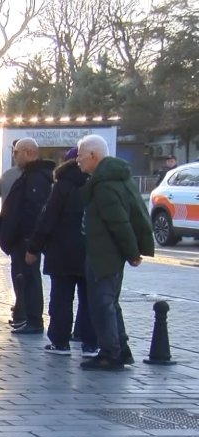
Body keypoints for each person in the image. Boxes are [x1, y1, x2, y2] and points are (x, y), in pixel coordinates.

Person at [77, 134, 155, 370]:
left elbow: (119, 222)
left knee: (103, 304)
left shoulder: (104, 185)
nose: (78, 161)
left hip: (103, 254)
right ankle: (120, 349)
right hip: (107, 252)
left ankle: (110, 354)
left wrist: (133, 253)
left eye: (80, 156)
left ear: (93, 155)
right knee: (110, 302)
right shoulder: (115, 178)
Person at [26, 147, 97, 356]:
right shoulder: (95, 184)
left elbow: (47, 218)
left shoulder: (62, 186)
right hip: (90, 250)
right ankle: (90, 343)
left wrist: (34, 248)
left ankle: (60, 342)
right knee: (89, 300)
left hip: (62, 251)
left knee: (61, 299)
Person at [0, 138, 53, 335]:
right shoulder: (27, 175)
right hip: (19, 239)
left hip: (26, 240)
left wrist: (32, 243)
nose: (14, 156)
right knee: (24, 279)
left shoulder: (37, 178)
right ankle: (28, 317)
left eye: (17, 152)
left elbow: (35, 212)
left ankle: (34, 320)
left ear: (29, 153)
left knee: (30, 279)